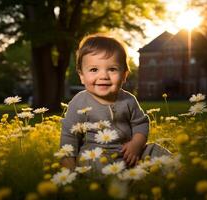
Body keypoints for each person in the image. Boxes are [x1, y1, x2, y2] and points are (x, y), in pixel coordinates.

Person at [60, 33, 171, 171]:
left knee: (155, 150)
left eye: (112, 69)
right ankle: (128, 184)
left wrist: (136, 145)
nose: (104, 76)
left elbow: (141, 124)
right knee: (93, 163)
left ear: (124, 75)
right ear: (81, 76)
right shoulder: (79, 102)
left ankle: (178, 173)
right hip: (95, 155)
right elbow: (68, 137)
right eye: (94, 69)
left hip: (128, 154)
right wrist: (69, 167)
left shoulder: (128, 100)